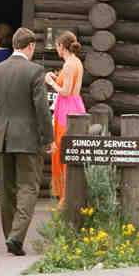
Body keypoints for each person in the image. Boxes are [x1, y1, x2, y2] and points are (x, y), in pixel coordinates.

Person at [0, 26, 54, 256]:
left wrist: (0, 131)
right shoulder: (35, 71)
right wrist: (48, 138)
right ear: (31, 46)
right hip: (28, 139)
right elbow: (42, 109)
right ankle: (16, 237)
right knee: (28, 187)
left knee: (7, 190)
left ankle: (10, 236)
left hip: (3, 138)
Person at [45, 31, 86, 207]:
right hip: (75, 105)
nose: (57, 50)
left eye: (57, 47)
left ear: (62, 47)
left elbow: (66, 91)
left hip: (67, 108)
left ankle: (65, 196)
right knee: (68, 150)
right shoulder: (76, 61)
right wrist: (57, 79)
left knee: (63, 150)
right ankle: (66, 195)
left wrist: (51, 82)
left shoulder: (69, 64)